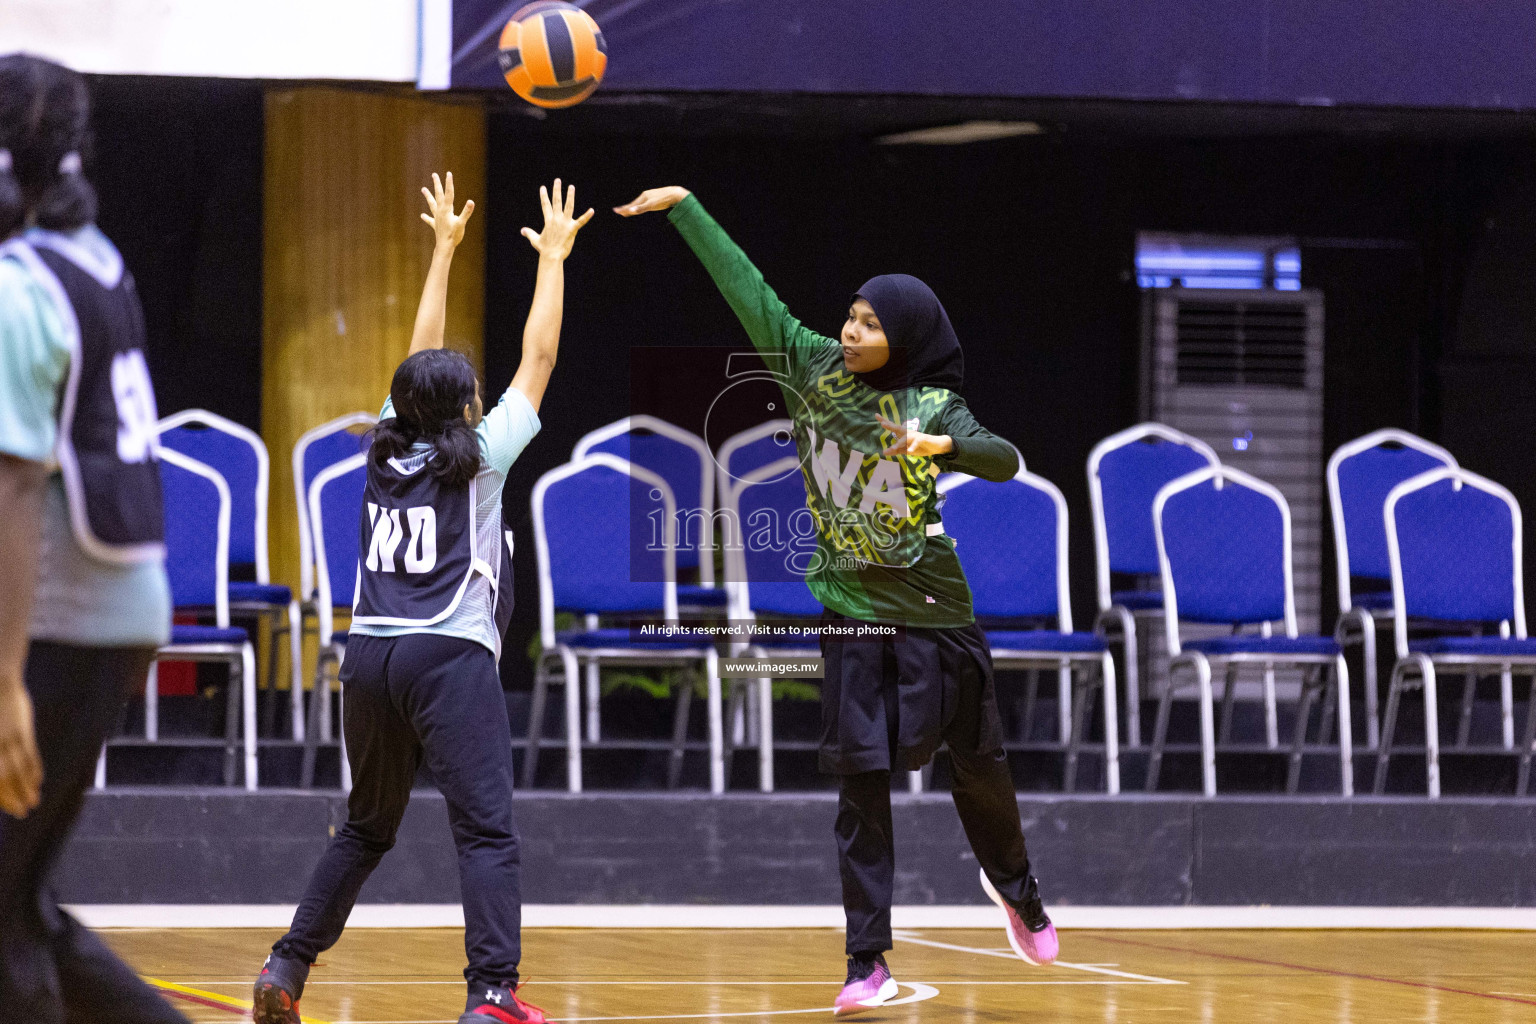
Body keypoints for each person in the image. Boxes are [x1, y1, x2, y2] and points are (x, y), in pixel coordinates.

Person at [618, 187, 1058, 1016]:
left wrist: (945, 444)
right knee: (860, 785)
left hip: (937, 614)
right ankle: (866, 961)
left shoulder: (933, 403)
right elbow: (746, 287)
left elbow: (1004, 458)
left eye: (870, 324)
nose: (852, 332)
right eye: (850, 317)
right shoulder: (809, 365)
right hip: (852, 617)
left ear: (907, 340)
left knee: (979, 771)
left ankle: (1017, 890)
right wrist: (686, 210)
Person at [251, 175, 592, 1024]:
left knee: (366, 828)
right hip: (447, 653)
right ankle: (491, 994)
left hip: (367, 656)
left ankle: (286, 967)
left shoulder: (383, 445)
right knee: (484, 831)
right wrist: (552, 259)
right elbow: (540, 358)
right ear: (469, 408)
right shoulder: (481, 455)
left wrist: (442, 252)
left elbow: (418, 362)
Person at [0, 54, 189, 1024]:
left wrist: (5, 685)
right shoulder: (99, 260)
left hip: (64, 621)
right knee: (17, 897)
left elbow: (18, 485)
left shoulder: (21, 285)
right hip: (124, 599)